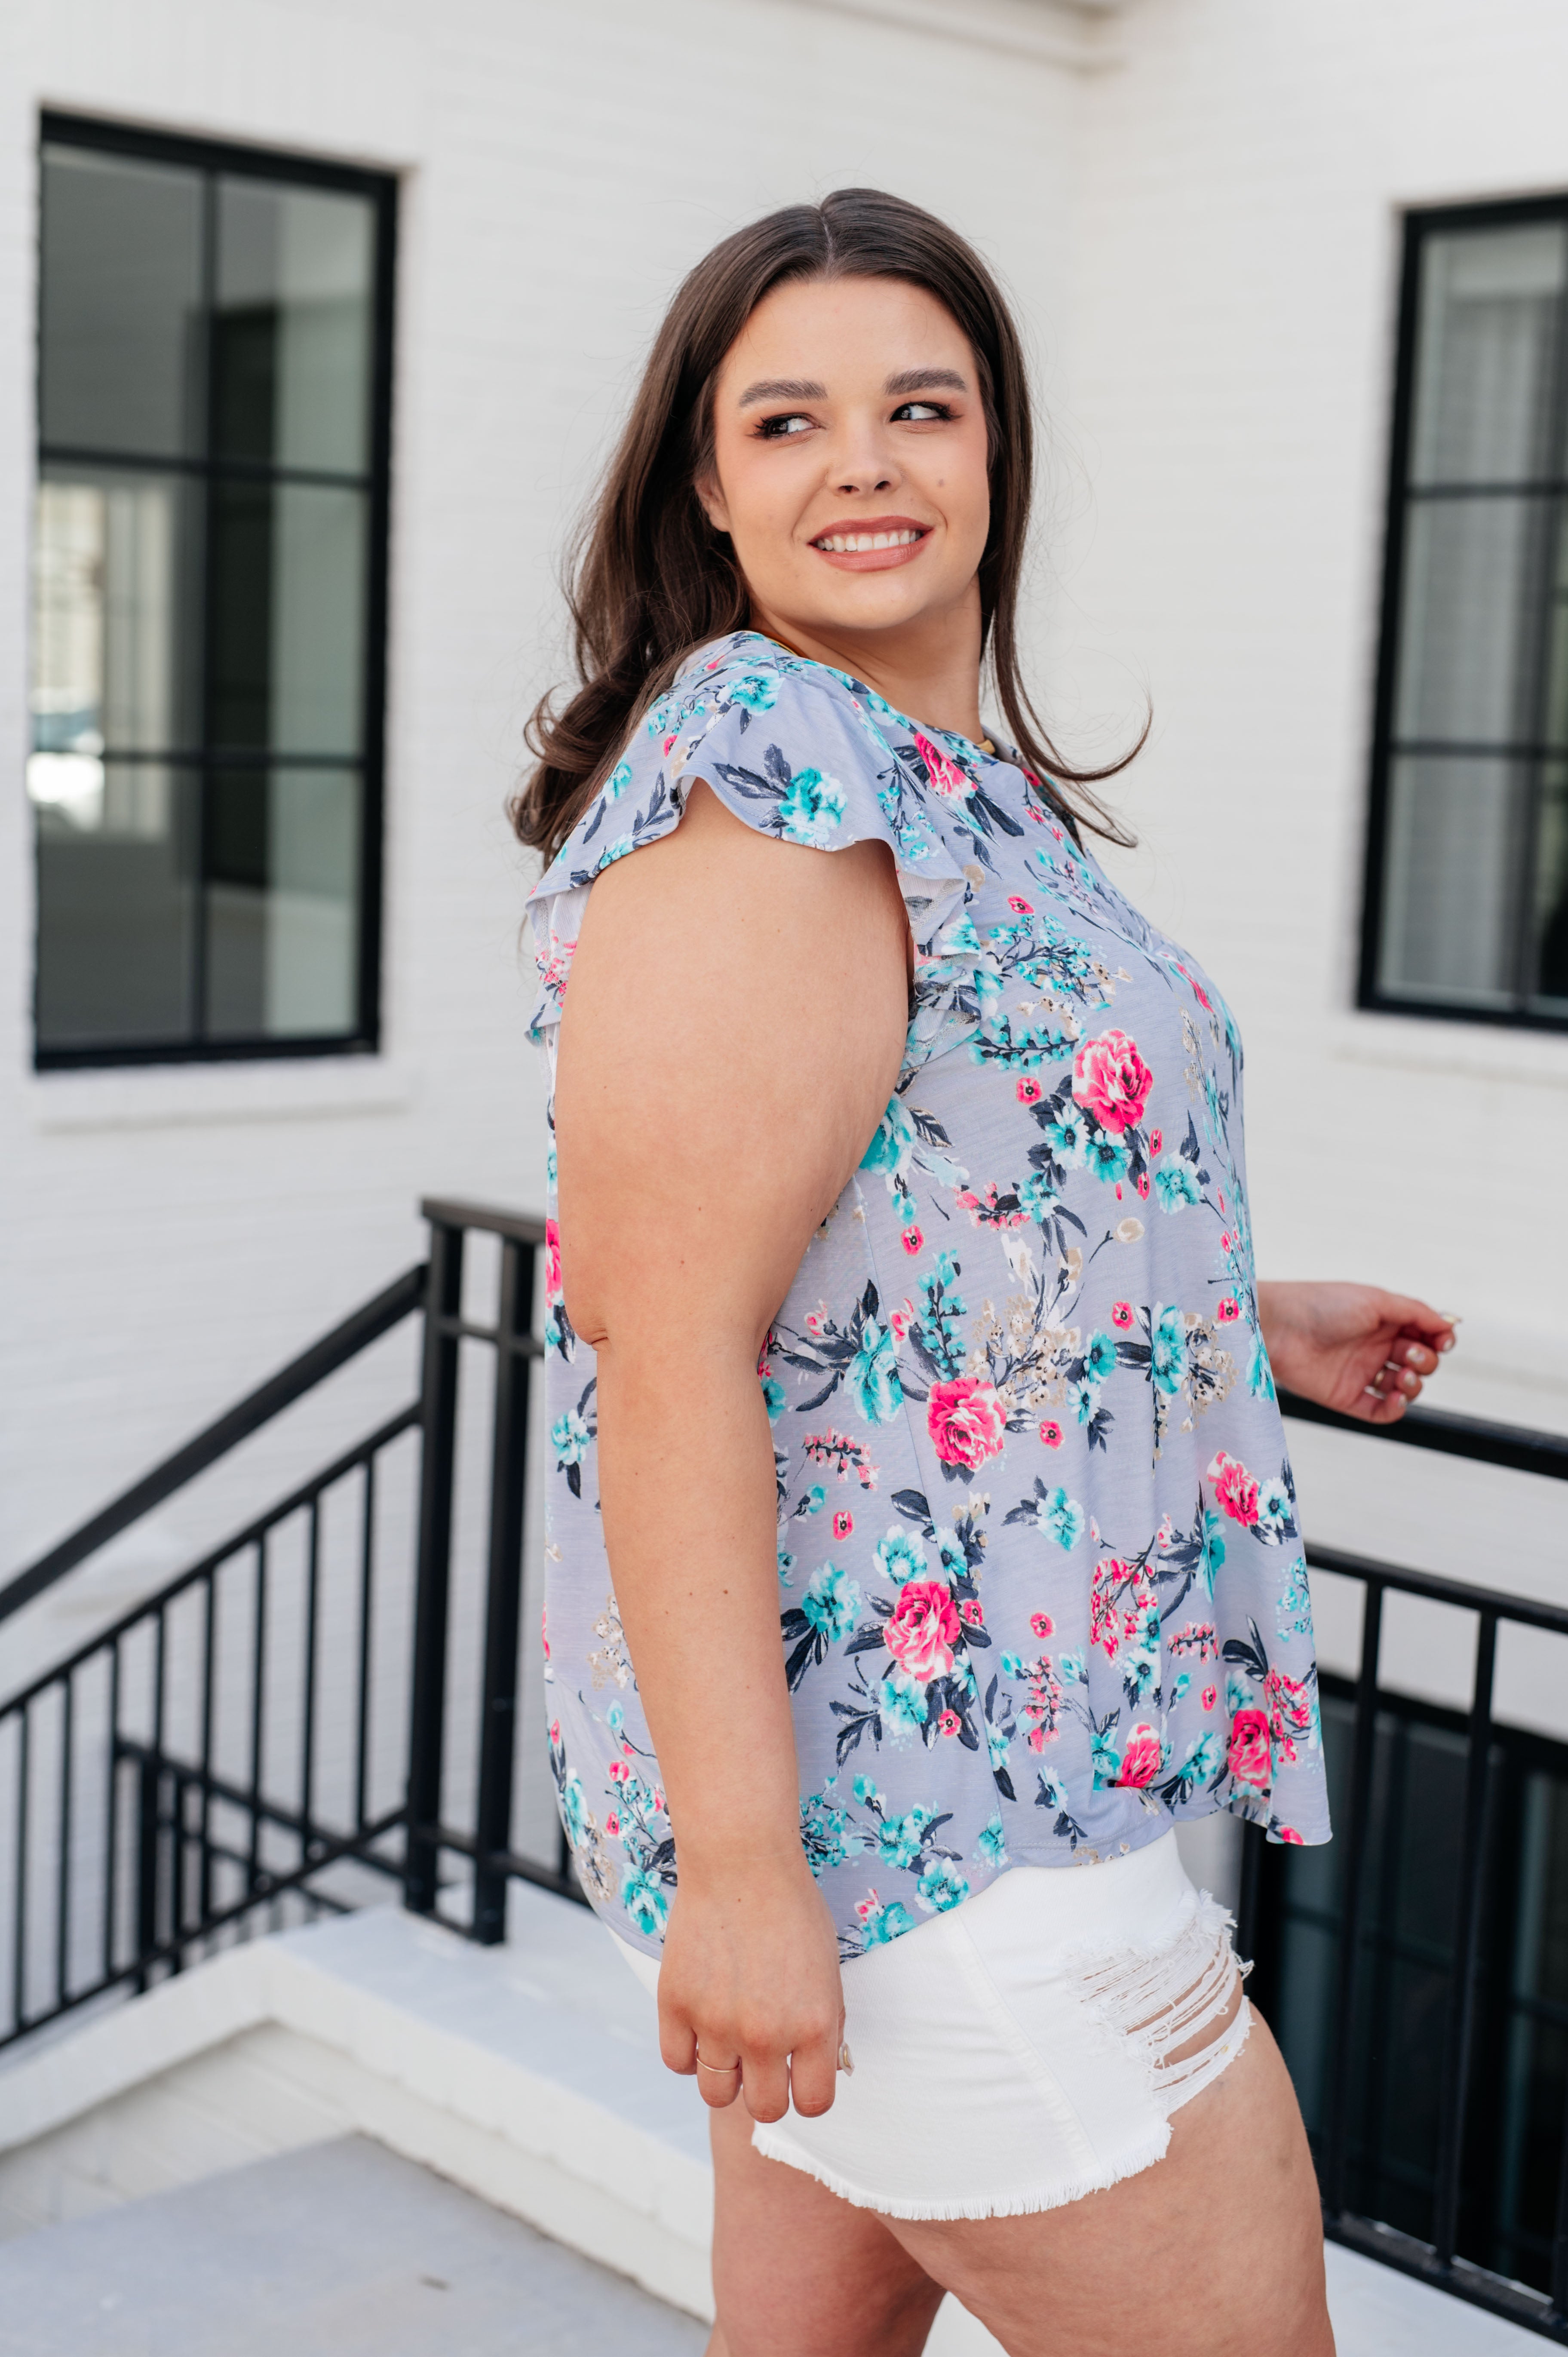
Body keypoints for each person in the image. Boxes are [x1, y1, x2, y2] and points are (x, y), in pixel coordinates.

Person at [513, 189, 1457, 2357]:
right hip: (927, 1851)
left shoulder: (957, 785)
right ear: (710, 482)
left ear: (996, 452)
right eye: (790, 420)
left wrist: (1237, 1315)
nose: (866, 462)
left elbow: (937, 1196)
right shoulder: (777, 777)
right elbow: (669, 1354)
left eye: (921, 406)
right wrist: (751, 1886)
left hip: (937, 1815)